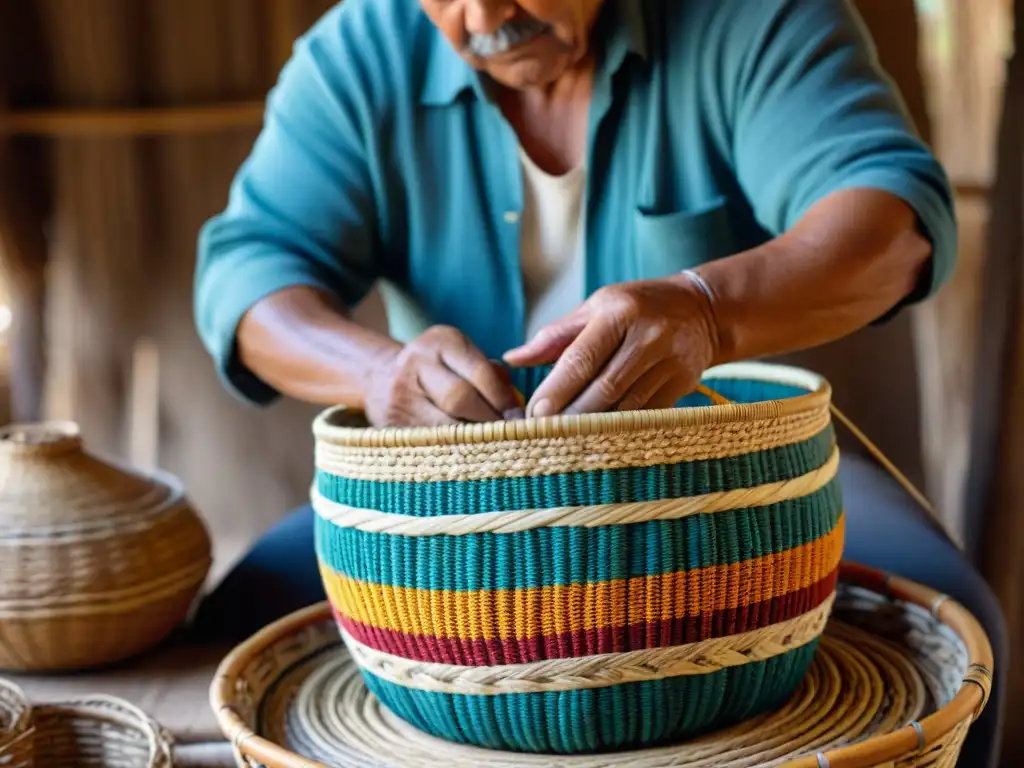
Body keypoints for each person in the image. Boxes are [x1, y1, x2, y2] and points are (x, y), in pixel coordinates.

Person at [191, 0, 1005, 764]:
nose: (484, 20)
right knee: (231, 629)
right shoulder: (360, 52)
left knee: (947, 612)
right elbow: (247, 274)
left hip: (735, 491)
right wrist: (376, 371)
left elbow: (895, 222)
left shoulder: (752, 19)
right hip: (444, 505)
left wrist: (707, 310)